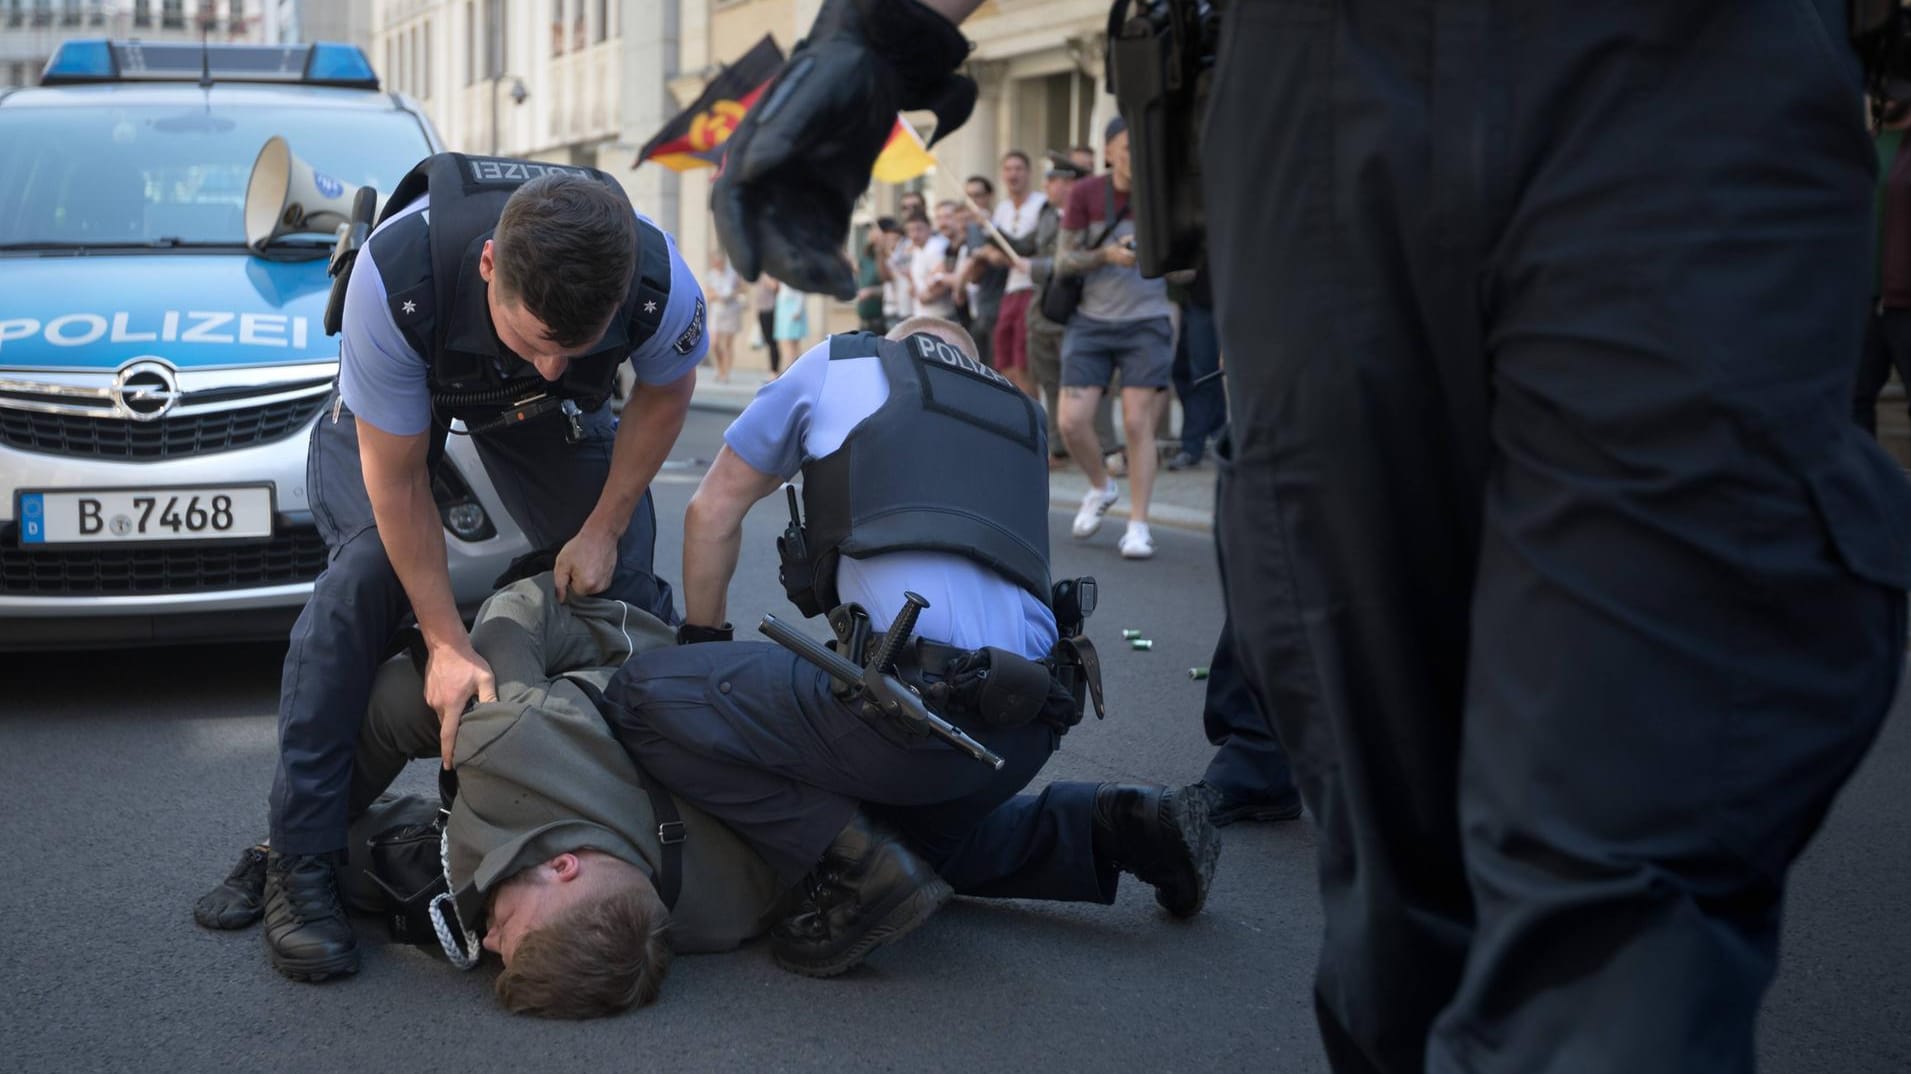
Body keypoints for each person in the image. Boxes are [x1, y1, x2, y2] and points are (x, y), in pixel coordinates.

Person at [705, 0, 1911, 1069]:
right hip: (1330, 86)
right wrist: (876, 28)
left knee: (1628, 858)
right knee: (1401, 863)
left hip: (1685, 76)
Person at [602, 317, 1220, 978]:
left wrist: (701, 651)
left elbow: (712, 509)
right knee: (919, 847)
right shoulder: (1021, 418)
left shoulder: (841, 363)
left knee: (642, 697)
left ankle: (857, 868)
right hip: (1029, 724)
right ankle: (1122, 825)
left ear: (897, 342)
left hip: (912, 715)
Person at [224, 153, 704, 984]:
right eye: (536, 339)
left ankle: (609, 819)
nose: (555, 361)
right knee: (362, 579)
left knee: (618, 572)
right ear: (490, 265)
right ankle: (295, 859)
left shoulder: (662, 282)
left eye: (577, 346)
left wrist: (602, 524)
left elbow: (663, 395)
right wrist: (445, 643)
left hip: (534, 421)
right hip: (409, 399)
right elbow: (398, 481)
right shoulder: (396, 275)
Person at [198, 573, 787, 1016]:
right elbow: (516, 612)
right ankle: (283, 844)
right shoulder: (512, 734)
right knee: (418, 697)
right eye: (514, 932)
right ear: (563, 867)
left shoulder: (731, 910)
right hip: (591, 660)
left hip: (574, 787)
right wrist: (305, 837)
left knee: (361, 870)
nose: (491, 942)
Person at [1056, 116, 1176, 561]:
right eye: (1126, 147)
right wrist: (1106, 254)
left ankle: (1138, 525)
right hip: (1090, 321)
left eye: (1140, 147)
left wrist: (1153, 258)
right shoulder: (1086, 194)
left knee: (1136, 422)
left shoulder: (1163, 194)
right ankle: (1100, 486)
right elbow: (1063, 260)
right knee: (1071, 421)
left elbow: (1188, 266)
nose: (1133, 155)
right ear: (1108, 152)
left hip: (1146, 320)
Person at [1028, 152, 1117, 467]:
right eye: (1051, 181)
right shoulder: (1047, 214)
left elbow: (1069, 260)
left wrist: (1035, 268)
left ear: (1074, 185)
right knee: (1050, 381)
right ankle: (1059, 447)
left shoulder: (1092, 215)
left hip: (1080, 307)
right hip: (1048, 307)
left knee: (1090, 381)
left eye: (1060, 181)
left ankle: (1107, 448)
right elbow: (1029, 246)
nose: (1052, 187)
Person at [1855, 87, 1911, 435]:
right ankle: (1861, 489)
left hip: (1907, 302)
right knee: (1852, 403)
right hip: (1864, 303)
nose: (1886, 95)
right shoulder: (1866, 145)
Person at [987, 150, 1045, 396]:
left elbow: (1028, 245)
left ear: (1029, 173)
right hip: (1010, 289)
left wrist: (992, 231)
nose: (1013, 174)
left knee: (1024, 358)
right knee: (1004, 356)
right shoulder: (1002, 209)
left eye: (1018, 168)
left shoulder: (1042, 204)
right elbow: (1000, 251)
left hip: (1033, 287)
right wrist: (993, 254)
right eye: (1008, 169)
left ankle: (1032, 414)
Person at [1165, 260, 1222, 471]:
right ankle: (1218, 430)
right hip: (1189, 299)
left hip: (1205, 298)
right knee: (1182, 371)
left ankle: (1192, 446)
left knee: (1202, 376)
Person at [957, 174, 1006, 368]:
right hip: (982, 308)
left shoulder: (1000, 221)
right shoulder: (973, 229)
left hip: (1003, 305)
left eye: (978, 195)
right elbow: (976, 277)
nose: (974, 202)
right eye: (969, 197)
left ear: (989, 196)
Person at [907, 210, 956, 320]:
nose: (914, 234)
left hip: (940, 316)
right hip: (922, 315)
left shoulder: (936, 247)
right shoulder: (916, 249)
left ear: (929, 228)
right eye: (910, 230)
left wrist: (926, 297)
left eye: (919, 229)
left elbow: (942, 279)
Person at [705, 250, 744, 384]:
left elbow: (742, 289)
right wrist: (715, 296)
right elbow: (708, 294)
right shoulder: (711, 275)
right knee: (714, 343)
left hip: (731, 310)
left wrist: (732, 293)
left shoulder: (732, 274)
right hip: (717, 311)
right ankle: (719, 367)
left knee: (727, 344)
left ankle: (725, 372)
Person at [856, 219, 896, 335]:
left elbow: (890, 285)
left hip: (883, 320)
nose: (871, 233)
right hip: (864, 320)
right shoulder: (866, 256)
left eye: (874, 229)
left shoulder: (890, 256)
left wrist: (871, 292)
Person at [772, 279, 808, 374]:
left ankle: (791, 371)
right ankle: (792, 370)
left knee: (790, 344)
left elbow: (801, 292)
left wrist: (797, 310)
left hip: (792, 311)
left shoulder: (793, 272)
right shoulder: (782, 275)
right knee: (786, 344)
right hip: (784, 309)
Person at [753, 274, 779, 367]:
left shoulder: (771, 274)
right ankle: (772, 370)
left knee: (773, 342)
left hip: (771, 309)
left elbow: (775, 287)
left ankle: (774, 371)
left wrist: (767, 279)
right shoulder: (760, 275)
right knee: (769, 341)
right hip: (762, 310)